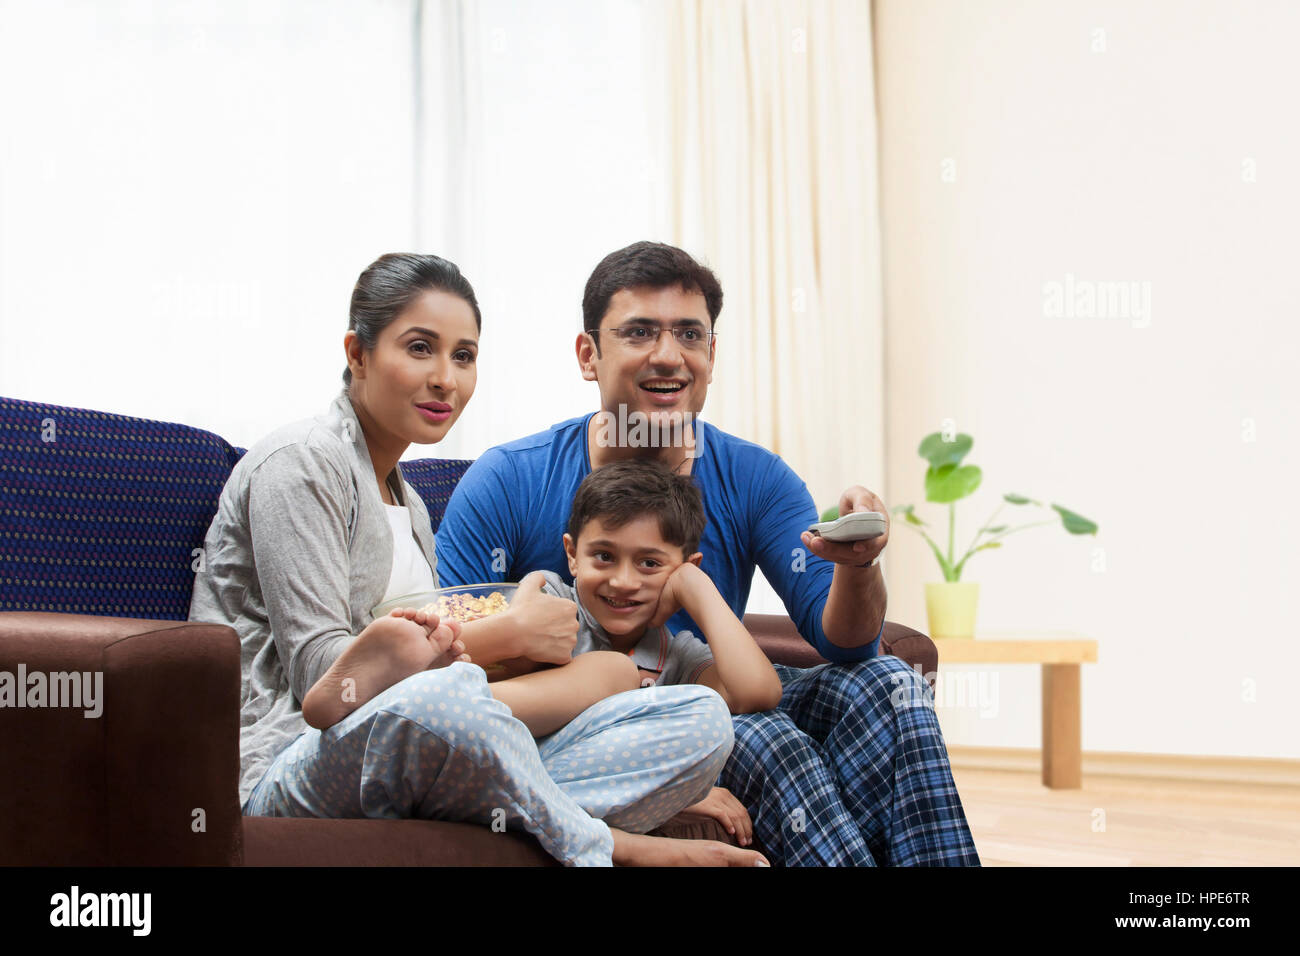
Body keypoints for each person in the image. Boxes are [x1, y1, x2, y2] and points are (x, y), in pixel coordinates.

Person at [187, 252, 768, 866]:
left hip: (408, 748)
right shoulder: (301, 464)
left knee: (700, 718)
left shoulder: (407, 503)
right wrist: (505, 634)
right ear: (357, 353)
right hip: (287, 758)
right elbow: (325, 682)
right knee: (453, 699)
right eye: (420, 348)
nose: (446, 378)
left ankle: (521, 809)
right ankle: (619, 848)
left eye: (463, 356)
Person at [436, 241, 982, 866]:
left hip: (716, 685)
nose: (668, 355)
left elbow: (847, 645)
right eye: (639, 332)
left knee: (891, 686)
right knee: (770, 740)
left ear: (712, 355)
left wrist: (858, 566)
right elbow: (451, 665)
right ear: (589, 354)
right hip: (600, 720)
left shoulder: (755, 477)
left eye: (689, 334)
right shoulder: (509, 480)